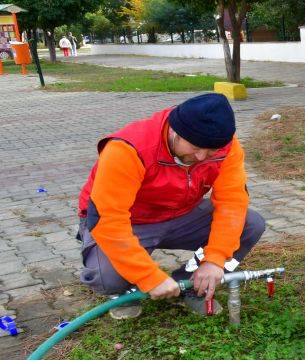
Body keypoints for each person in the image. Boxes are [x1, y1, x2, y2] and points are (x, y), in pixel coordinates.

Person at [77, 93, 265, 319]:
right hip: (131, 221)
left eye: (211, 151)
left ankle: (191, 283)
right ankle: (124, 290)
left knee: (251, 224)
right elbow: (108, 220)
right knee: (107, 277)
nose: (201, 157)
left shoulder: (226, 147)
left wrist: (215, 259)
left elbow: (232, 202)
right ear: (175, 131)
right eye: (195, 147)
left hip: (183, 215)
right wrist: (149, 276)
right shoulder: (129, 148)